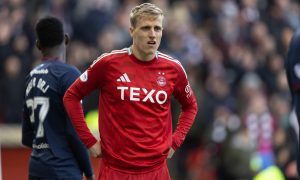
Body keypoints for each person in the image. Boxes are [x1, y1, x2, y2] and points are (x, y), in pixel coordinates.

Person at [63, 3, 198, 180]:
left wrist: (175, 141)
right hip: (115, 170)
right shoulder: (109, 64)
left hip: (156, 170)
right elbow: (71, 96)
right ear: (131, 31)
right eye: (146, 28)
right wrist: (88, 141)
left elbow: (190, 106)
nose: (152, 34)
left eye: (157, 28)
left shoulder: (173, 69)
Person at [21, 16, 94, 180]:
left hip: (36, 168)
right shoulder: (69, 75)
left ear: (38, 45)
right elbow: (74, 131)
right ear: (66, 39)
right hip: (63, 169)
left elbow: (27, 137)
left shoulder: (31, 77)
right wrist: (89, 173)